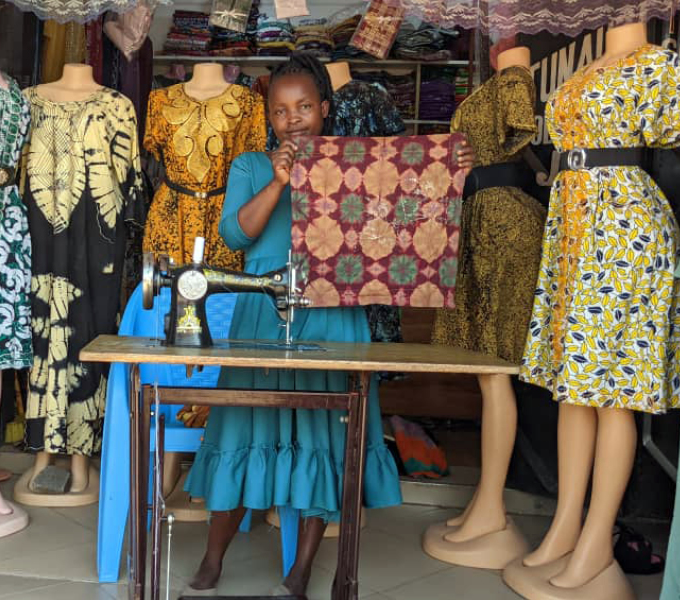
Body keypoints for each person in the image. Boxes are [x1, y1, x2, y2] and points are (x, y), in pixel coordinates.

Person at [182, 53, 475, 596]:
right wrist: (277, 180)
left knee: (324, 433)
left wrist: (450, 165)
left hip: (334, 311)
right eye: (280, 111)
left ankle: (299, 571)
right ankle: (212, 558)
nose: (293, 119)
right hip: (262, 314)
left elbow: (406, 205)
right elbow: (235, 238)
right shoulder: (250, 165)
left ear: (324, 108)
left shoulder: (357, 164)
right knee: (241, 425)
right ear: (268, 117)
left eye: (304, 107)